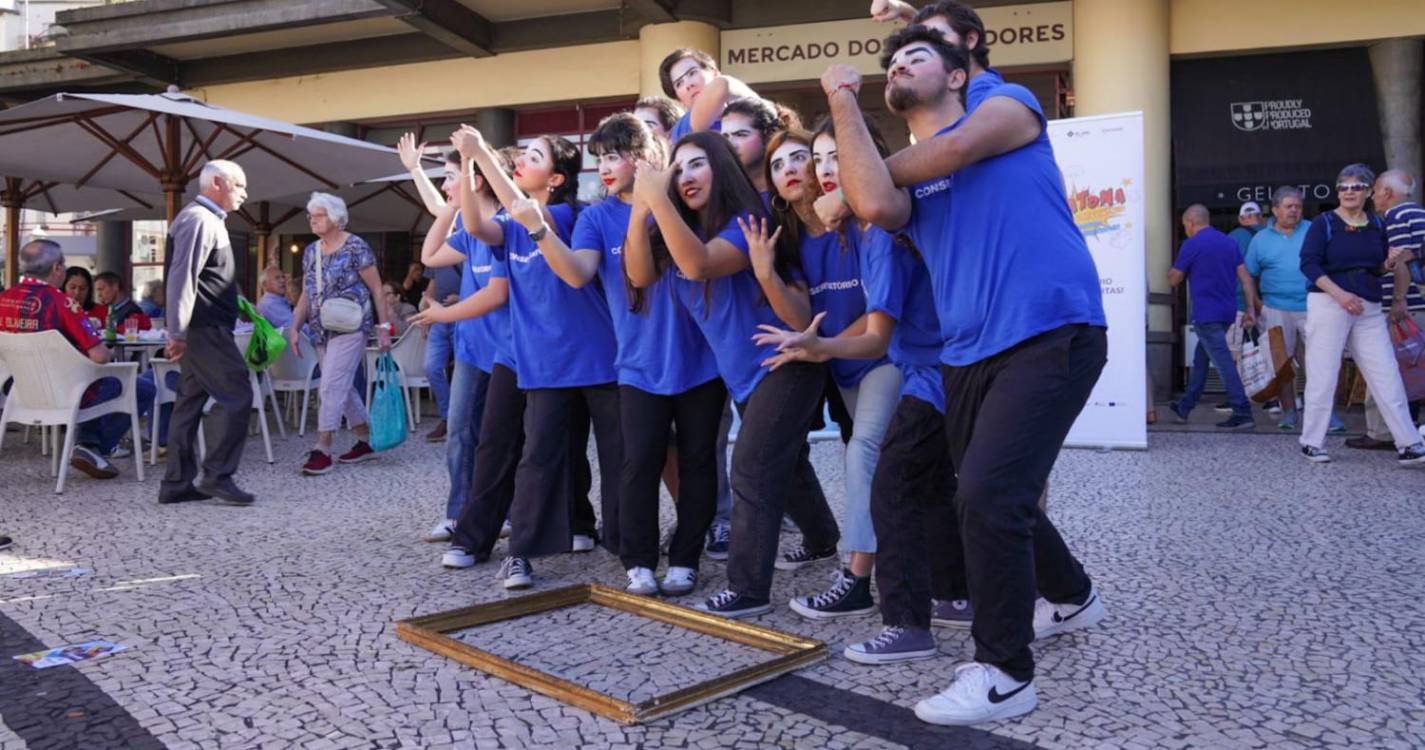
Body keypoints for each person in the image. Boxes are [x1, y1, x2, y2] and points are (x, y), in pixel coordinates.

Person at [826, 20, 1106, 725]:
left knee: (985, 494)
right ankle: (1072, 593)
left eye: (915, 56)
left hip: (1051, 328)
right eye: (890, 63)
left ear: (957, 74)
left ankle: (1005, 674)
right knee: (985, 491)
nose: (897, 66)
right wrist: (840, 103)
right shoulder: (910, 188)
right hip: (965, 353)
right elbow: (873, 203)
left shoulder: (1007, 106)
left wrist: (860, 178)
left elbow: (939, 154)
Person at [630, 131, 840, 619]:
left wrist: (657, 197)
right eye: (677, 169)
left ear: (721, 169)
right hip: (744, 373)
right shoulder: (677, 229)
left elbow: (699, 266)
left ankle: (748, 588)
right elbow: (639, 276)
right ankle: (823, 537)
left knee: (751, 467)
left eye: (697, 164)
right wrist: (642, 210)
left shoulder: (748, 221)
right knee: (787, 468)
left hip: (786, 362)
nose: (684, 177)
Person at [530, 113, 725, 597]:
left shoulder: (681, 201)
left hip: (702, 361)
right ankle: (638, 560)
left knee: (699, 463)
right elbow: (577, 273)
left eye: (613, 155)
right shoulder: (596, 218)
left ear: (642, 157)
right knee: (637, 464)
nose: (603, 167)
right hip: (637, 365)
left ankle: (685, 558)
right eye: (599, 158)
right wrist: (538, 231)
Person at [423, 124, 617, 590]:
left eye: (535, 155)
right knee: (519, 449)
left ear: (556, 179)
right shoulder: (509, 227)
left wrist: (483, 151)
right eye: (522, 154)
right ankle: (500, 545)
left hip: (590, 353)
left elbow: (525, 215)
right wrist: (469, 165)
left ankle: (618, 543)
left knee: (598, 452)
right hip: (527, 354)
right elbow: (472, 227)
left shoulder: (573, 216)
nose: (523, 160)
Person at [759, 124, 903, 619]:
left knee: (862, 454)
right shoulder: (805, 240)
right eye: (813, 159)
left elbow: (881, 323)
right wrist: (765, 271)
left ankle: (857, 577)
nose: (817, 168)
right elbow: (807, 317)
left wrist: (821, 347)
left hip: (886, 360)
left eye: (826, 157)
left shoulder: (873, 225)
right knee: (878, 465)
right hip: (845, 366)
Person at [1298, 164, 1425, 465]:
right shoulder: (1324, 222)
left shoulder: (1377, 225)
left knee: (1386, 373)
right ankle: (1312, 442)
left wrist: (1390, 263)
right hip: (1330, 302)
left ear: (1369, 192)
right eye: (1343, 186)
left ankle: (1408, 443)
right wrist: (1339, 295)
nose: (1349, 192)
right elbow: (1309, 265)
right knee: (1324, 373)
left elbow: (1378, 267)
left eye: (1356, 187)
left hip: (1367, 306)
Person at [414, 149, 509, 544]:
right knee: (458, 431)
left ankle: (499, 512)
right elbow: (430, 256)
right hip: (471, 348)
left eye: (452, 175)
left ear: (478, 179)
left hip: (506, 350)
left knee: (499, 438)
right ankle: (458, 513)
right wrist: (444, 211)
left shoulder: (504, 226)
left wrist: (443, 315)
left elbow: (496, 294)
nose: (445, 185)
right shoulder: (465, 230)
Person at [0, 239, 155, 479]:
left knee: (92, 378)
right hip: (65, 393)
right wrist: (110, 353)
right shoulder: (63, 303)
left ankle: (89, 445)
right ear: (56, 269)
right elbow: (100, 356)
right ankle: (90, 446)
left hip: (17, 391)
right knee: (141, 387)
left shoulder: (4, 299)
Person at [160, 160, 257, 506]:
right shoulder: (200, 219)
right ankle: (216, 475)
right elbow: (181, 277)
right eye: (240, 185)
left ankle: (176, 482)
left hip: (202, 327)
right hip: (205, 329)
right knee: (237, 396)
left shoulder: (200, 219)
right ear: (217, 182)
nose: (245, 193)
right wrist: (177, 332)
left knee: (189, 402)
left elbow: (196, 277)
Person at [287, 191, 394, 476]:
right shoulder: (311, 251)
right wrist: (294, 328)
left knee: (331, 384)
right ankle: (363, 440)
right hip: (321, 329)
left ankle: (322, 448)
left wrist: (384, 328)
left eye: (319, 215)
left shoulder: (356, 246)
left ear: (335, 217)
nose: (312, 220)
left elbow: (376, 288)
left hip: (352, 325)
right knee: (341, 386)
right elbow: (306, 296)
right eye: (310, 216)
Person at [1352, 169, 1425, 450]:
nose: (1371, 197)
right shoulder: (1419, 213)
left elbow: (1400, 260)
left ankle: (1380, 431)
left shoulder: (1395, 218)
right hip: (1420, 305)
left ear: (1386, 193)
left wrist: (1397, 300)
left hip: (1405, 308)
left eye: (1375, 191)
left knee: (1381, 367)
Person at [1167, 205, 1256, 429]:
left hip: (1206, 315)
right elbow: (1246, 279)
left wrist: (1172, 271)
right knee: (1201, 359)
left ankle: (1242, 411)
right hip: (1227, 313)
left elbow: (1173, 280)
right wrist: (1250, 309)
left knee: (1223, 362)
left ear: (1189, 222)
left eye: (1185, 225)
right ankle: (1185, 406)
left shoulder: (1191, 244)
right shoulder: (1228, 242)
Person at [397, 132, 459, 444]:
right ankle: (449, 418)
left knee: (465, 372)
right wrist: (428, 302)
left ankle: (462, 422)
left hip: (467, 314)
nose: (446, 188)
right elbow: (434, 275)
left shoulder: (471, 224)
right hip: (439, 314)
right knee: (433, 367)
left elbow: (492, 280)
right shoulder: (449, 224)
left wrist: (463, 298)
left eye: (450, 178)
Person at [1242, 187, 1312, 430]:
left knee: (1317, 363)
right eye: (1289, 206)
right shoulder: (1260, 239)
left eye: (1298, 206)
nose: (1294, 210)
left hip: (1313, 306)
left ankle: (1326, 414)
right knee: (1281, 365)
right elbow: (1249, 275)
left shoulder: (1312, 230)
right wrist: (1255, 307)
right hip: (1275, 308)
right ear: (1275, 210)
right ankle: (1290, 412)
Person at [658, 48, 756, 142]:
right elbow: (722, 85)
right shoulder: (684, 126)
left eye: (692, 73)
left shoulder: (744, 119)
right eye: (679, 83)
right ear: (679, 100)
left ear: (715, 73)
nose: (688, 84)